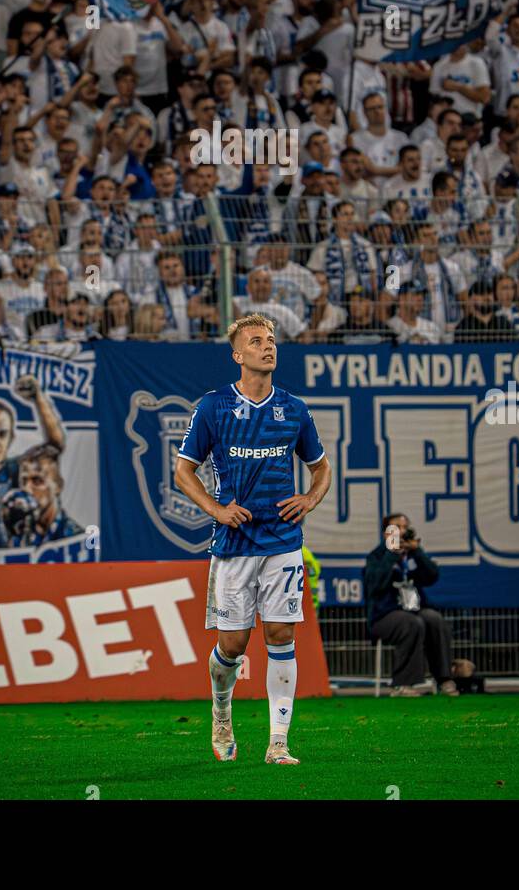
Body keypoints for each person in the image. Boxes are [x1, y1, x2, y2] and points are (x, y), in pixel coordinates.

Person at [174, 312, 332, 766]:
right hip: (235, 545)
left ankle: (278, 742)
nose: (269, 347)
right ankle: (221, 711)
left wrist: (309, 499)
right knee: (234, 645)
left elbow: (320, 468)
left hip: (283, 541)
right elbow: (184, 472)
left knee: (281, 634)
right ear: (237, 355)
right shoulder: (213, 407)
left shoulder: (294, 409)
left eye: (272, 340)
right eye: (257, 341)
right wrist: (218, 510)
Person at [363, 513, 458, 696]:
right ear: (386, 533)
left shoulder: (412, 555)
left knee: (434, 619)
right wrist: (392, 554)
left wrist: (417, 551)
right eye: (396, 527)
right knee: (411, 623)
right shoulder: (376, 556)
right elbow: (374, 585)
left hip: (414, 610)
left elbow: (432, 576)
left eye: (405, 527)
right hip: (384, 616)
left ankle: (444, 679)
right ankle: (402, 684)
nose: (402, 531)